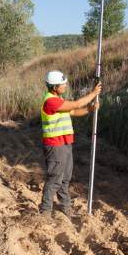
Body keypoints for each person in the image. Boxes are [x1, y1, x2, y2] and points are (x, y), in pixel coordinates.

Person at [39, 70, 102, 218]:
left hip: (65, 143)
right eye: (63, 84)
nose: (65, 85)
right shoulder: (50, 101)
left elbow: (73, 111)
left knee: (65, 178)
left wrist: (89, 109)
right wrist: (93, 93)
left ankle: (66, 207)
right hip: (55, 145)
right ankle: (45, 211)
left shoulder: (59, 100)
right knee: (55, 178)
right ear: (55, 87)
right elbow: (76, 103)